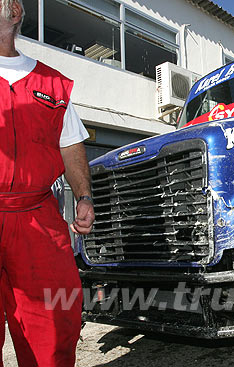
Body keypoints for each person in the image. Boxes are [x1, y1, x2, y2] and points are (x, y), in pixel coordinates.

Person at [0, 1, 95, 366]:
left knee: (55, 321)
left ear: (15, 10)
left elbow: (71, 147)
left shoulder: (54, 84)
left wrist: (84, 196)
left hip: (38, 219)